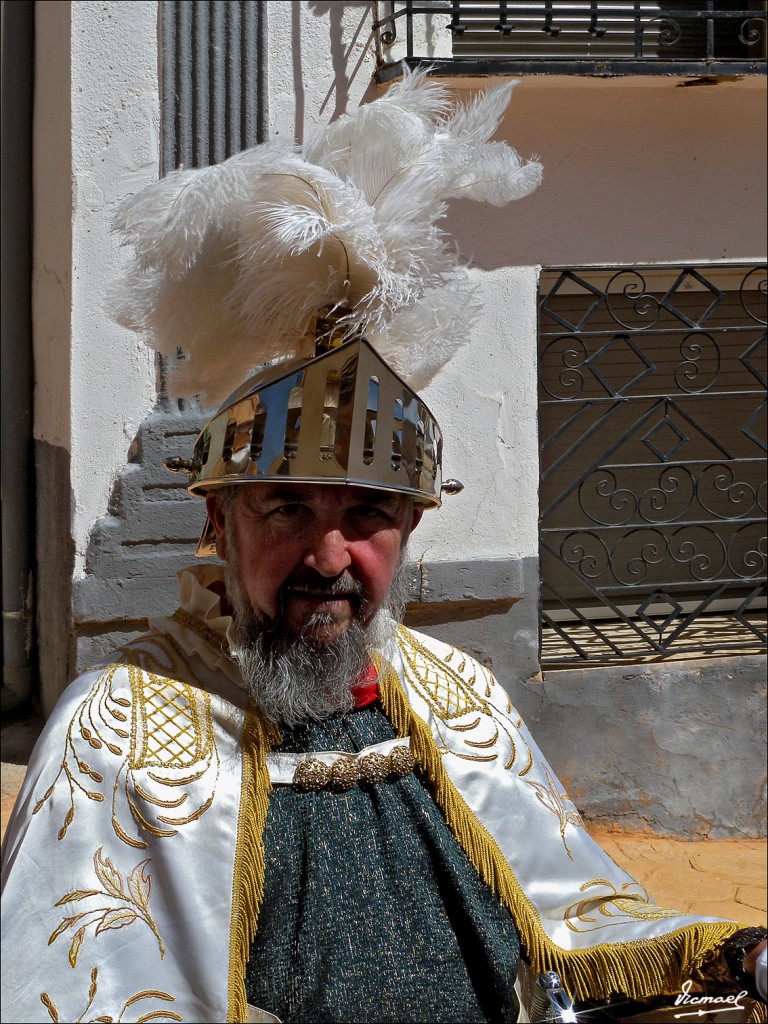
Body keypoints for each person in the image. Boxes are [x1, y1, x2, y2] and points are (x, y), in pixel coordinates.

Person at [2, 72, 765, 1024]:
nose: (329, 555)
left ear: (409, 529)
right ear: (216, 524)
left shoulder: (459, 694)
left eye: (368, 513)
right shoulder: (115, 736)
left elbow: (577, 923)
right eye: (284, 509)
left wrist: (736, 955)